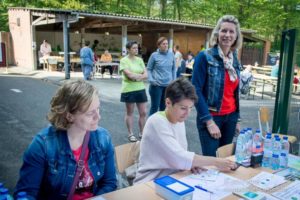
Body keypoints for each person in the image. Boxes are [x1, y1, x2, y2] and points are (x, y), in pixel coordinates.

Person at [14, 80, 117, 199]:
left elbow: (109, 182)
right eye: (90, 113)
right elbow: (26, 193)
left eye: (98, 109)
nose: (98, 117)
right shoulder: (43, 145)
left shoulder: (103, 138)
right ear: (69, 116)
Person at [134, 78, 237, 184]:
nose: (187, 113)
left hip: (173, 177)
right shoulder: (156, 122)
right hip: (151, 181)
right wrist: (215, 161)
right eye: (183, 108)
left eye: (191, 108)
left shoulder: (178, 120)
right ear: (168, 103)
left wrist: (191, 164)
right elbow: (179, 157)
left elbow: (181, 155)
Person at [192, 15, 243, 157]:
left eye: (231, 32)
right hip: (212, 116)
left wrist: (237, 119)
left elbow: (234, 93)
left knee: (226, 159)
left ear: (236, 36)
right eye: (224, 31)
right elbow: (195, 90)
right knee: (212, 162)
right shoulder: (204, 57)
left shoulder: (235, 60)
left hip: (231, 117)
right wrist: (208, 122)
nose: (227, 35)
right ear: (217, 33)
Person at [120, 41, 148, 142]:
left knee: (143, 112)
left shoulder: (140, 60)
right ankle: (130, 133)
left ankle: (142, 132)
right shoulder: (124, 61)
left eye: (137, 48)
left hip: (140, 89)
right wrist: (139, 76)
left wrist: (136, 77)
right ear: (128, 49)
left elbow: (146, 75)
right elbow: (129, 75)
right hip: (129, 89)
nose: (136, 50)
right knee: (130, 113)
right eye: (134, 48)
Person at [147, 37, 176, 116]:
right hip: (157, 86)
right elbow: (149, 69)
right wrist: (151, 80)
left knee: (164, 108)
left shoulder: (171, 54)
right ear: (159, 45)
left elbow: (174, 69)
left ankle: (161, 126)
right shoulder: (154, 55)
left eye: (167, 44)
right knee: (154, 107)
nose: (166, 45)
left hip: (168, 86)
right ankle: (150, 126)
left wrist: (174, 80)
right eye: (163, 44)